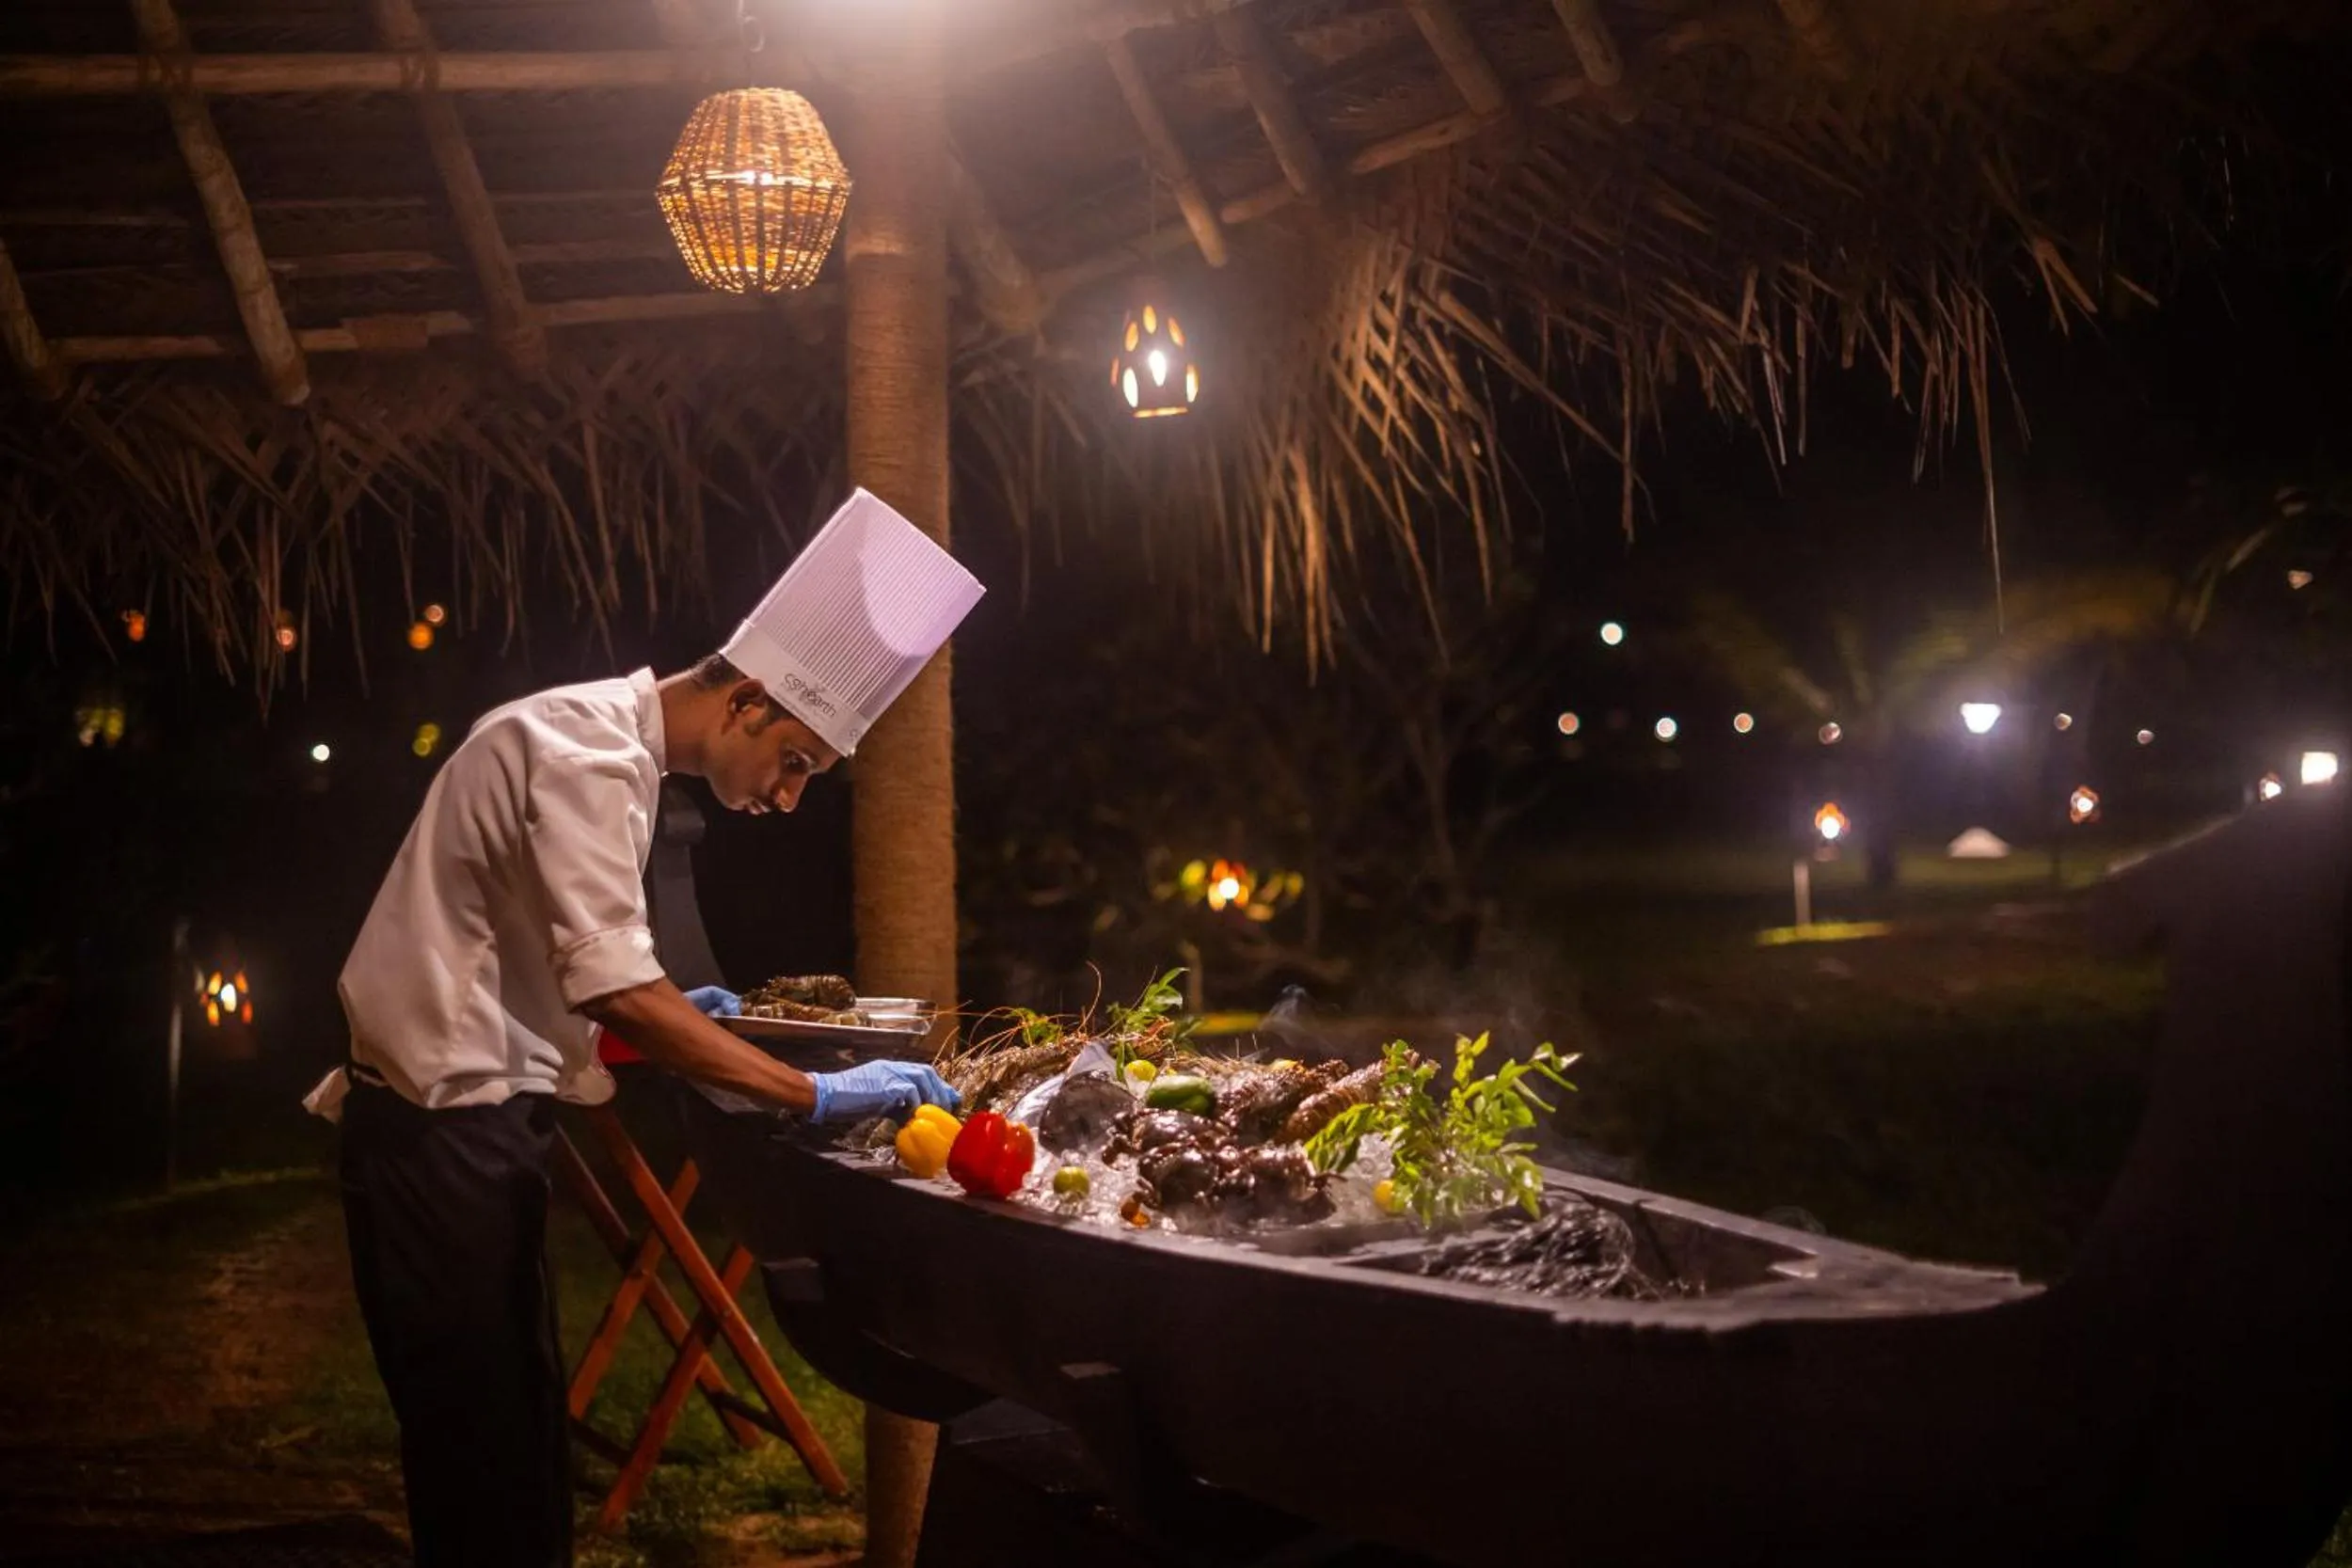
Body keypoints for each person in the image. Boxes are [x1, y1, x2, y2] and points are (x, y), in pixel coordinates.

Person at [304, 490, 984, 1566]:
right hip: (440, 1146)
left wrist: (673, 1011)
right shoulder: (584, 754)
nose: (791, 795)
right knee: (485, 1473)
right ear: (751, 700)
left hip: (475, 1140)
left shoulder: (600, 748)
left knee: (516, 1456)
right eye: (799, 759)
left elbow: (548, 973)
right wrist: (812, 1093)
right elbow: (617, 988)